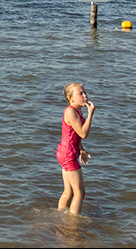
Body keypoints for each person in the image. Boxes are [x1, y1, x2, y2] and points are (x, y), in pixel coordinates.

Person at [56, 82, 97, 215]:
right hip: (68, 154)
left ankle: (61, 214)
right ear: (70, 98)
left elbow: (73, 135)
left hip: (66, 152)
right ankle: (73, 222)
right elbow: (83, 134)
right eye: (80, 93)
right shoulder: (70, 111)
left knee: (68, 191)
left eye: (85, 92)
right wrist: (91, 114)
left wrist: (81, 150)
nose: (85, 96)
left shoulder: (77, 112)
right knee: (79, 193)